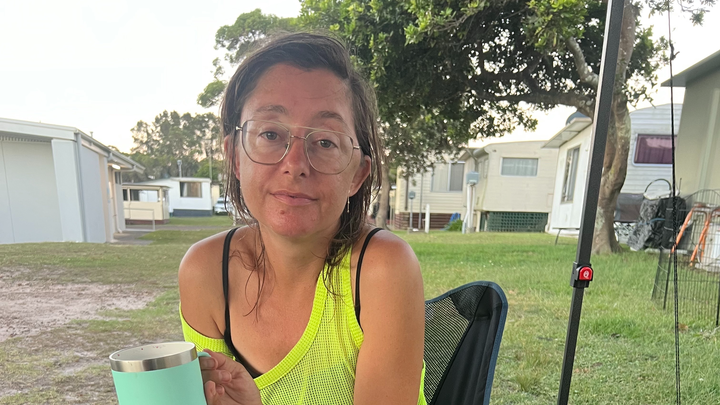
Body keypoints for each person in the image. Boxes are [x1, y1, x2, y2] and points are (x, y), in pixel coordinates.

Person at [178, 32, 427, 405]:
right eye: (271, 134)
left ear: (357, 175)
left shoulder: (383, 269)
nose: (295, 164)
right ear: (234, 157)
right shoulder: (205, 272)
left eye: (325, 142)